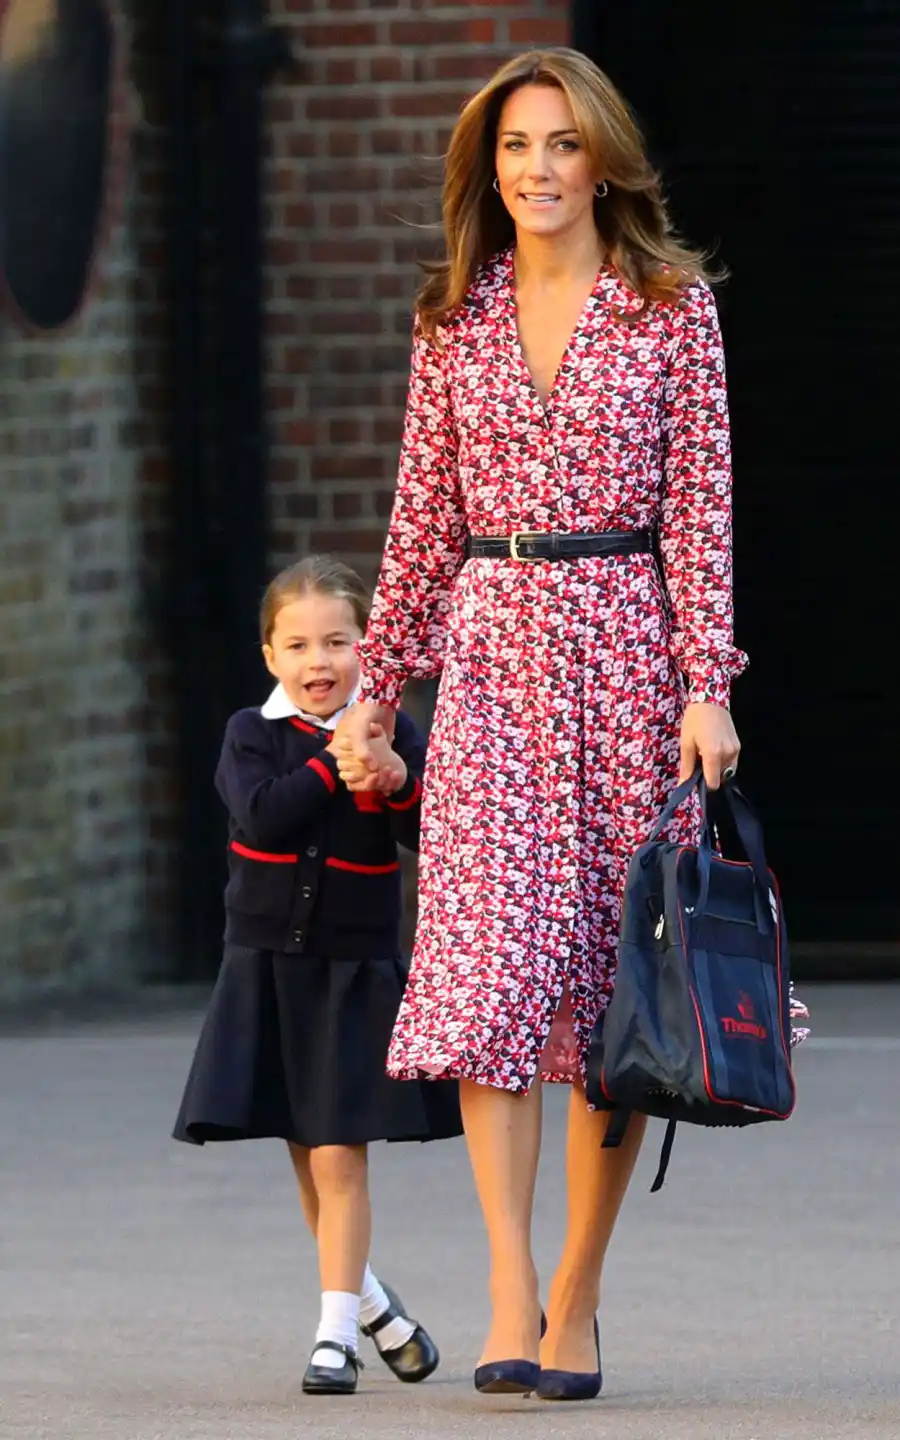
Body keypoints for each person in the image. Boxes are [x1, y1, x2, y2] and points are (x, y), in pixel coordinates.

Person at [334, 47, 808, 1402]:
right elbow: (422, 523)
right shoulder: (453, 316)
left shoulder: (670, 310)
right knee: (491, 983)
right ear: (488, 170)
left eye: (558, 144)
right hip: (491, 662)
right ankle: (505, 1284)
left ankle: (578, 1298)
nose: (536, 170)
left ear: (602, 158)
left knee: (610, 996)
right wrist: (379, 686)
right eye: (513, 148)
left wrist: (708, 682)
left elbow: (703, 509)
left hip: (629, 660)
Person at [173, 556, 462, 1397]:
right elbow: (261, 812)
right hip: (267, 964)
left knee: (340, 1152)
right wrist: (332, 766)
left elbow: (430, 832)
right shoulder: (249, 734)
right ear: (270, 654)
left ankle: (335, 1337)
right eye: (298, 643)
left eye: (338, 640)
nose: (319, 660)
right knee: (308, 1153)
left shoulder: (391, 728)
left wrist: (401, 779)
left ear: (368, 647)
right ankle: (376, 1307)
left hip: (351, 965)